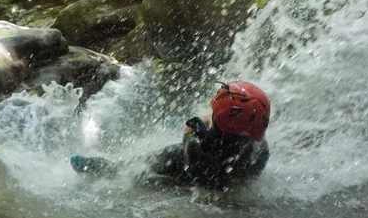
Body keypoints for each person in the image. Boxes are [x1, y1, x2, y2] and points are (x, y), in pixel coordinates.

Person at [71, 81, 271, 190]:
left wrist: (195, 130)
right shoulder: (260, 148)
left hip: (185, 167)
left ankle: (107, 168)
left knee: (138, 165)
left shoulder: (196, 141)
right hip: (219, 172)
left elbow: (193, 135)